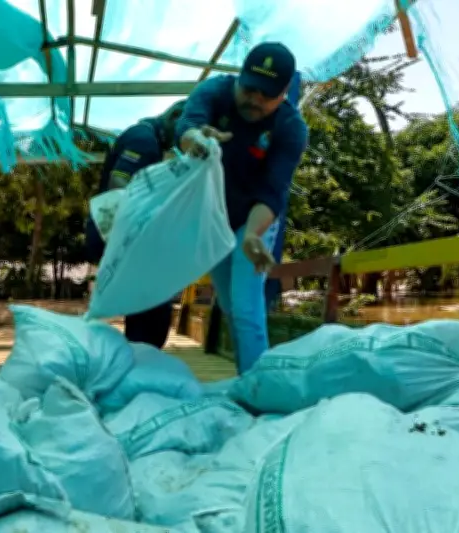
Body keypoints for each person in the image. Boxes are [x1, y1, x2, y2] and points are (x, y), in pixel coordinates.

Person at [176, 42, 308, 374]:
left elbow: (273, 191)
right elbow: (187, 126)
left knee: (248, 306)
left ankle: (257, 393)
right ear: (239, 78)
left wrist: (251, 235)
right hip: (212, 217)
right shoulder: (215, 92)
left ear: (283, 94)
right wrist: (197, 140)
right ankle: (245, 376)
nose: (255, 100)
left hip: (253, 219)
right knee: (231, 306)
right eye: (249, 89)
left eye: (267, 95)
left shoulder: (290, 128)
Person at [86, 100, 186, 349]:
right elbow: (118, 185)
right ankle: (143, 359)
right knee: (152, 307)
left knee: (146, 304)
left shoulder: (144, 136)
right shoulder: (144, 141)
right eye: (183, 132)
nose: (181, 142)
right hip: (124, 237)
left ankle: (139, 359)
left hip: (123, 237)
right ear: (174, 116)